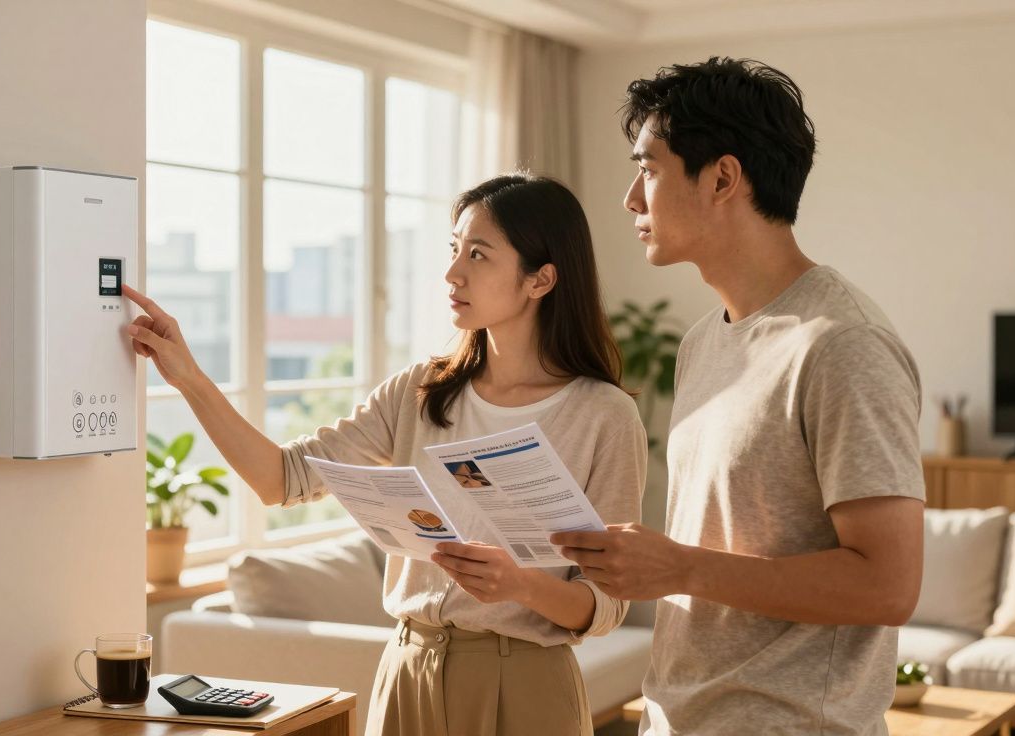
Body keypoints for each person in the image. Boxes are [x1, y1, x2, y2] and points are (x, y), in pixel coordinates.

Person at [124, 173, 647, 736]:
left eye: (478, 253)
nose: (452, 272)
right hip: (408, 669)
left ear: (540, 278)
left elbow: (604, 605)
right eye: (453, 249)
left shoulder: (604, 416)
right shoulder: (419, 392)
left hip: (524, 684)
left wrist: (519, 584)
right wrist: (191, 380)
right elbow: (282, 479)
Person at [551, 58, 925, 736]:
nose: (632, 198)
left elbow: (888, 586)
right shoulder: (704, 341)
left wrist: (679, 567)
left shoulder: (843, 344)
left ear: (722, 177)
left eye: (651, 168)